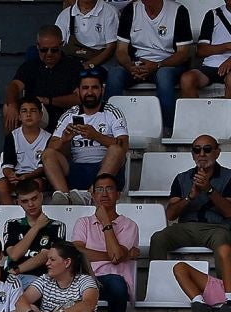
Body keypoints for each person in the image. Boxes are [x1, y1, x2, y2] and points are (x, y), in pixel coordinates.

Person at [150, 136, 231, 283]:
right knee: (158, 238)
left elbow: (229, 211)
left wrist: (210, 190)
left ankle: (226, 291)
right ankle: (158, 284)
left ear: (217, 153)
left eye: (207, 149)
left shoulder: (229, 177)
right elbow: (170, 215)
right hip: (185, 228)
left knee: (222, 240)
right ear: (192, 154)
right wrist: (189, 197)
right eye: (197, 150)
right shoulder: (182, 178)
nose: (202, 154)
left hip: (217, 228)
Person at [107, 0, 193, 133]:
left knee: (164, 76)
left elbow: (183, 53)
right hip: (137, 64)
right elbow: (121, 50)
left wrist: (158, 65)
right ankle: (108, 126)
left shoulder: (178, 11)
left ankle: (168, 129)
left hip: (167, 64)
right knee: (115, 74)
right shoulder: (131, 10)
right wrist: (130, 66)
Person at [42, 70, 130, 199]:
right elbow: (51, 147)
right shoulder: (69, 114)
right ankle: (65, 197)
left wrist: (96, 136)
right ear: (78, 91)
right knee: (48, 154)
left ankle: (91, 195)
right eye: (85, 88)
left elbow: (124, 146)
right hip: (76, 169)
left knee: (116, 150)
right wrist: (64, 140)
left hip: (105, 170)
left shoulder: (112, 112)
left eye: (94, 87)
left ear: (102, 90)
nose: (89, 92)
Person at [71, 172, 139, 312]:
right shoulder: (83, 223)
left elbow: (116, 256)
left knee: (117, 284)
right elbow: (77, 252)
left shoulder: (129, 225)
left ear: (118, 194)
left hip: (113, 282)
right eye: (99, 190)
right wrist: (122, 255)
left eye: (109, 189)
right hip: (86, 277)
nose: (104, 194)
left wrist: (106, 223)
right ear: (93, 195)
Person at [3, 24, 81, 132]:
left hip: (64, 113)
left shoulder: (73, 66)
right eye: (44, 50)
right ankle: (12, 142)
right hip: (36, 113)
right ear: (37, 46)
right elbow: (15, 85)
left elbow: (78, 98)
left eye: (54, 50)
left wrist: (48, 101)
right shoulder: (30, 66)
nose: (49, 54)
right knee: (8, 108)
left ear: (61, 45)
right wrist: (12, 104)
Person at [2, 177, 64, 287]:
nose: (30, 204)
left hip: (43, 279)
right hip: (13, 280)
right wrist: (36, 227)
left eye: (34, 198)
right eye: (25, 201)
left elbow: (45, 256)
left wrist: (17, 269)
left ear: (41, 196)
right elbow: (14, 255)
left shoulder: (56, 226)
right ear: (18, 202)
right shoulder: (12, 224)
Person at [0, 94, 51, 205]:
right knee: (1, 185)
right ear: (19, 116)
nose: (28, 114)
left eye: (33, 111)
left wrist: (27, 177)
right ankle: (10, 213)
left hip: (37, 177)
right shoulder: (12, 136)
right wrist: (11, 175)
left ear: (40, 115)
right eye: (24, 111)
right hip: (17, 177)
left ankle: (32, 212)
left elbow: (43, 168)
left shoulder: (48, 138)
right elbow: (7, 165)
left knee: (36, 184)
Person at [56, 0, 120, 73]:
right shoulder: (65, 14)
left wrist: (90, 64)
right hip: (73, 60)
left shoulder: (110, 12)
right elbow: (58, 44)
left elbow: (111, 47)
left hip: (102, 61)